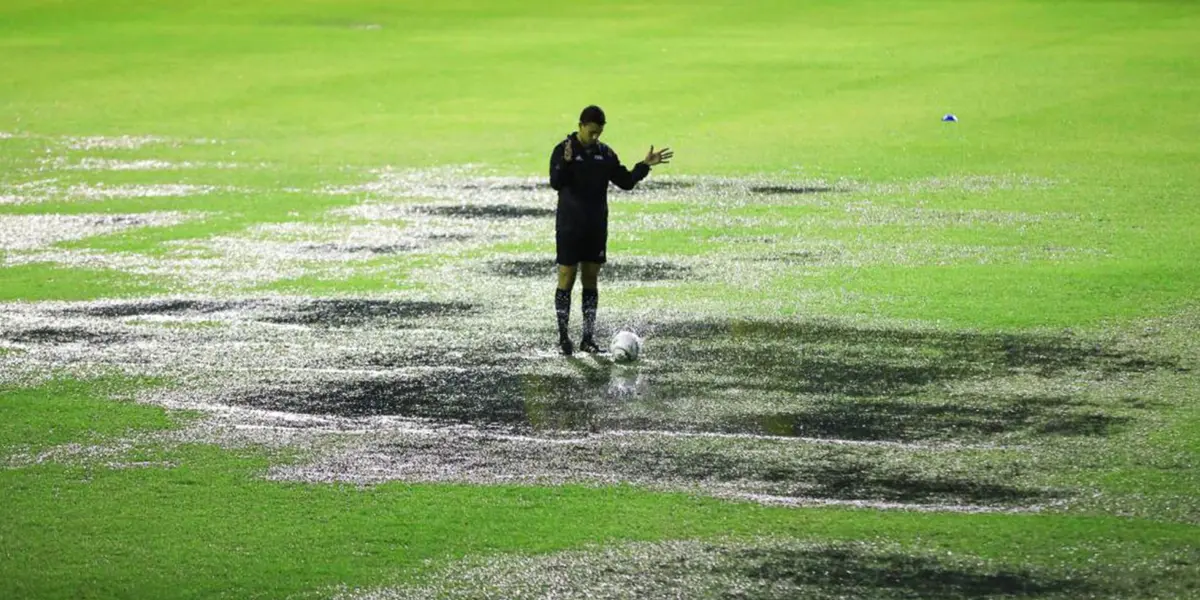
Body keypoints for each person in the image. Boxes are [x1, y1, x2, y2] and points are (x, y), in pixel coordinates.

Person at [548, 105, 673, 356]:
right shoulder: (564, 150)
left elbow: (625, 182)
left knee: (591, 279)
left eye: (599, 132)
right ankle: (564, 338)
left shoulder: (605, 154)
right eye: (592, 132)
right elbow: (555, 182)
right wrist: (565, 162)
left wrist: (645, 166)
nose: (596, 137)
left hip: (595, 225)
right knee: (566, 277)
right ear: (581, 125)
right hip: (570, 225)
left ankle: (587, 338)